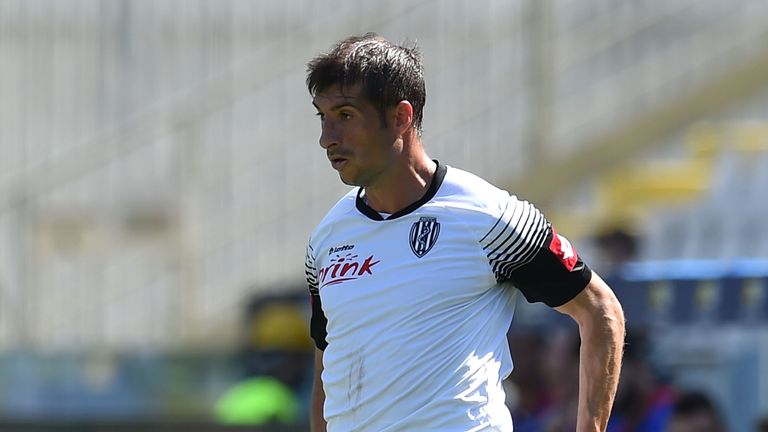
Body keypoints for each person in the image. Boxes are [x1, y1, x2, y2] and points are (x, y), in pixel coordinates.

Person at [303, 33, 625, 432]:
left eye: (346, 115)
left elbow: (600, 310)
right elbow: (327, 368)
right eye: (323, 117)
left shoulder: (485, 215)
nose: (327, 137)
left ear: (401, 117)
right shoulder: (327, 239)